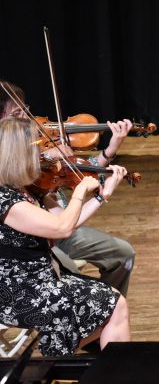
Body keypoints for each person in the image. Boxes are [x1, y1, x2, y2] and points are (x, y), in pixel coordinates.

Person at [0, 117, 130, 355]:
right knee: (113, 306)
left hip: (42, 280)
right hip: (17, 293)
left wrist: (102, 197)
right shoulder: (6, 201)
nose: (42, 154)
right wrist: (80, 191)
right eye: (36, 147)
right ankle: (51, 363)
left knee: (114, 302)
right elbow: (61, 229)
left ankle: (61, 360)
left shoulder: (26, 188)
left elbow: (70, 221)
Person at [0, 81, 135, 296]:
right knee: (73, 280)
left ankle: (106, 316)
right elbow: (59, 226)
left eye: (26, 109)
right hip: (36, 247)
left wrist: (109, 151)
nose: (28, 118)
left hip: (61, 226)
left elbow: (73, 174)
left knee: (123, 255)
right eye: (18, 113)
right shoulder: (11, 169)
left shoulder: (33, 149)